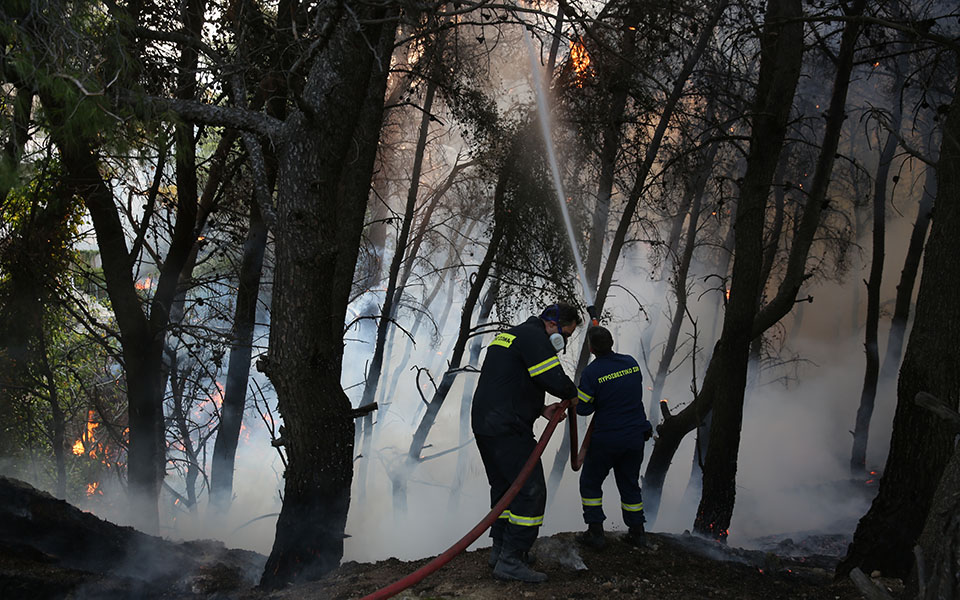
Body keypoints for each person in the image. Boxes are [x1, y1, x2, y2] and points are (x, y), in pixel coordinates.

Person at [471, 302, 582, 583]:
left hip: (488, 424)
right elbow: (552, 377)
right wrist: (572, 394)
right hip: (507, 427)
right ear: (553, 324)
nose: (565, 341)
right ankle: (511, 559)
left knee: (506, 489)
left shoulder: (513, 335)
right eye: (566, 335)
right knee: (530, 491)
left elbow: (510, 383)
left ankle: (500, 552)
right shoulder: (535, 337)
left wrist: (539, 409)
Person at [575, 325, 652, 550]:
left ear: (591, 348)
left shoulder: (591, 373)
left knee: (590, 483)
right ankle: (637, 532)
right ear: (611, 343)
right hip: (635, 436)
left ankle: (595, 533)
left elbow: (583, 409)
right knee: (629, 484)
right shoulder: (631, 363)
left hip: (607, 439)